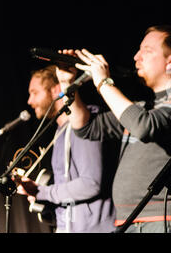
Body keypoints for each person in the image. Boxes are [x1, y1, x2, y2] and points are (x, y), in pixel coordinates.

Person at [56, 25, 171, 233]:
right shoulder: (141, 108)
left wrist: (103, 82)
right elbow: (85, 127)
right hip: (127, 222)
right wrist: (66, 84)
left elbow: (145, 127)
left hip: (161, 220)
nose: (136, 57)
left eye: (147, 51)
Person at [16, 65, 118, 233]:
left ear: (56, 89)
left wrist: (41, 192)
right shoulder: (60, 132)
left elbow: (91, 184)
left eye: (34, 93)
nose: (30, 101)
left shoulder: (86, 124)